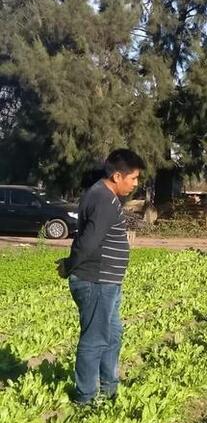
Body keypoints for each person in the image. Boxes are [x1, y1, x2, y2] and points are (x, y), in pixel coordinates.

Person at [56, 149, 145, 405]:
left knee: (112, 334)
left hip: (107, 281)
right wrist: (70, 265)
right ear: (118, 176)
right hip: (96, 281)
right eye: (134, 178)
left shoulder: (104, 195)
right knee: (95, 339)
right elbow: (89, 242)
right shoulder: (104, 199)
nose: (136, 184)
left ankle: (109, 388)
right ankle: (85, 397)